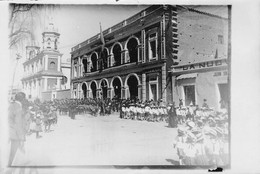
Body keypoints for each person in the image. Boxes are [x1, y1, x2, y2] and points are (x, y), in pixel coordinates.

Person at [8, 92, 28, 166]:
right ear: (21, 99)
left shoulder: (12, 104)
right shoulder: (18, 106)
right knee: (13, 150)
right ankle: (9, 165)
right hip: (14, 131)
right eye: (24, 98)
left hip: (10, 130)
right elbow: (18, 121)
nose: (24, 100)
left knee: (17, 148)